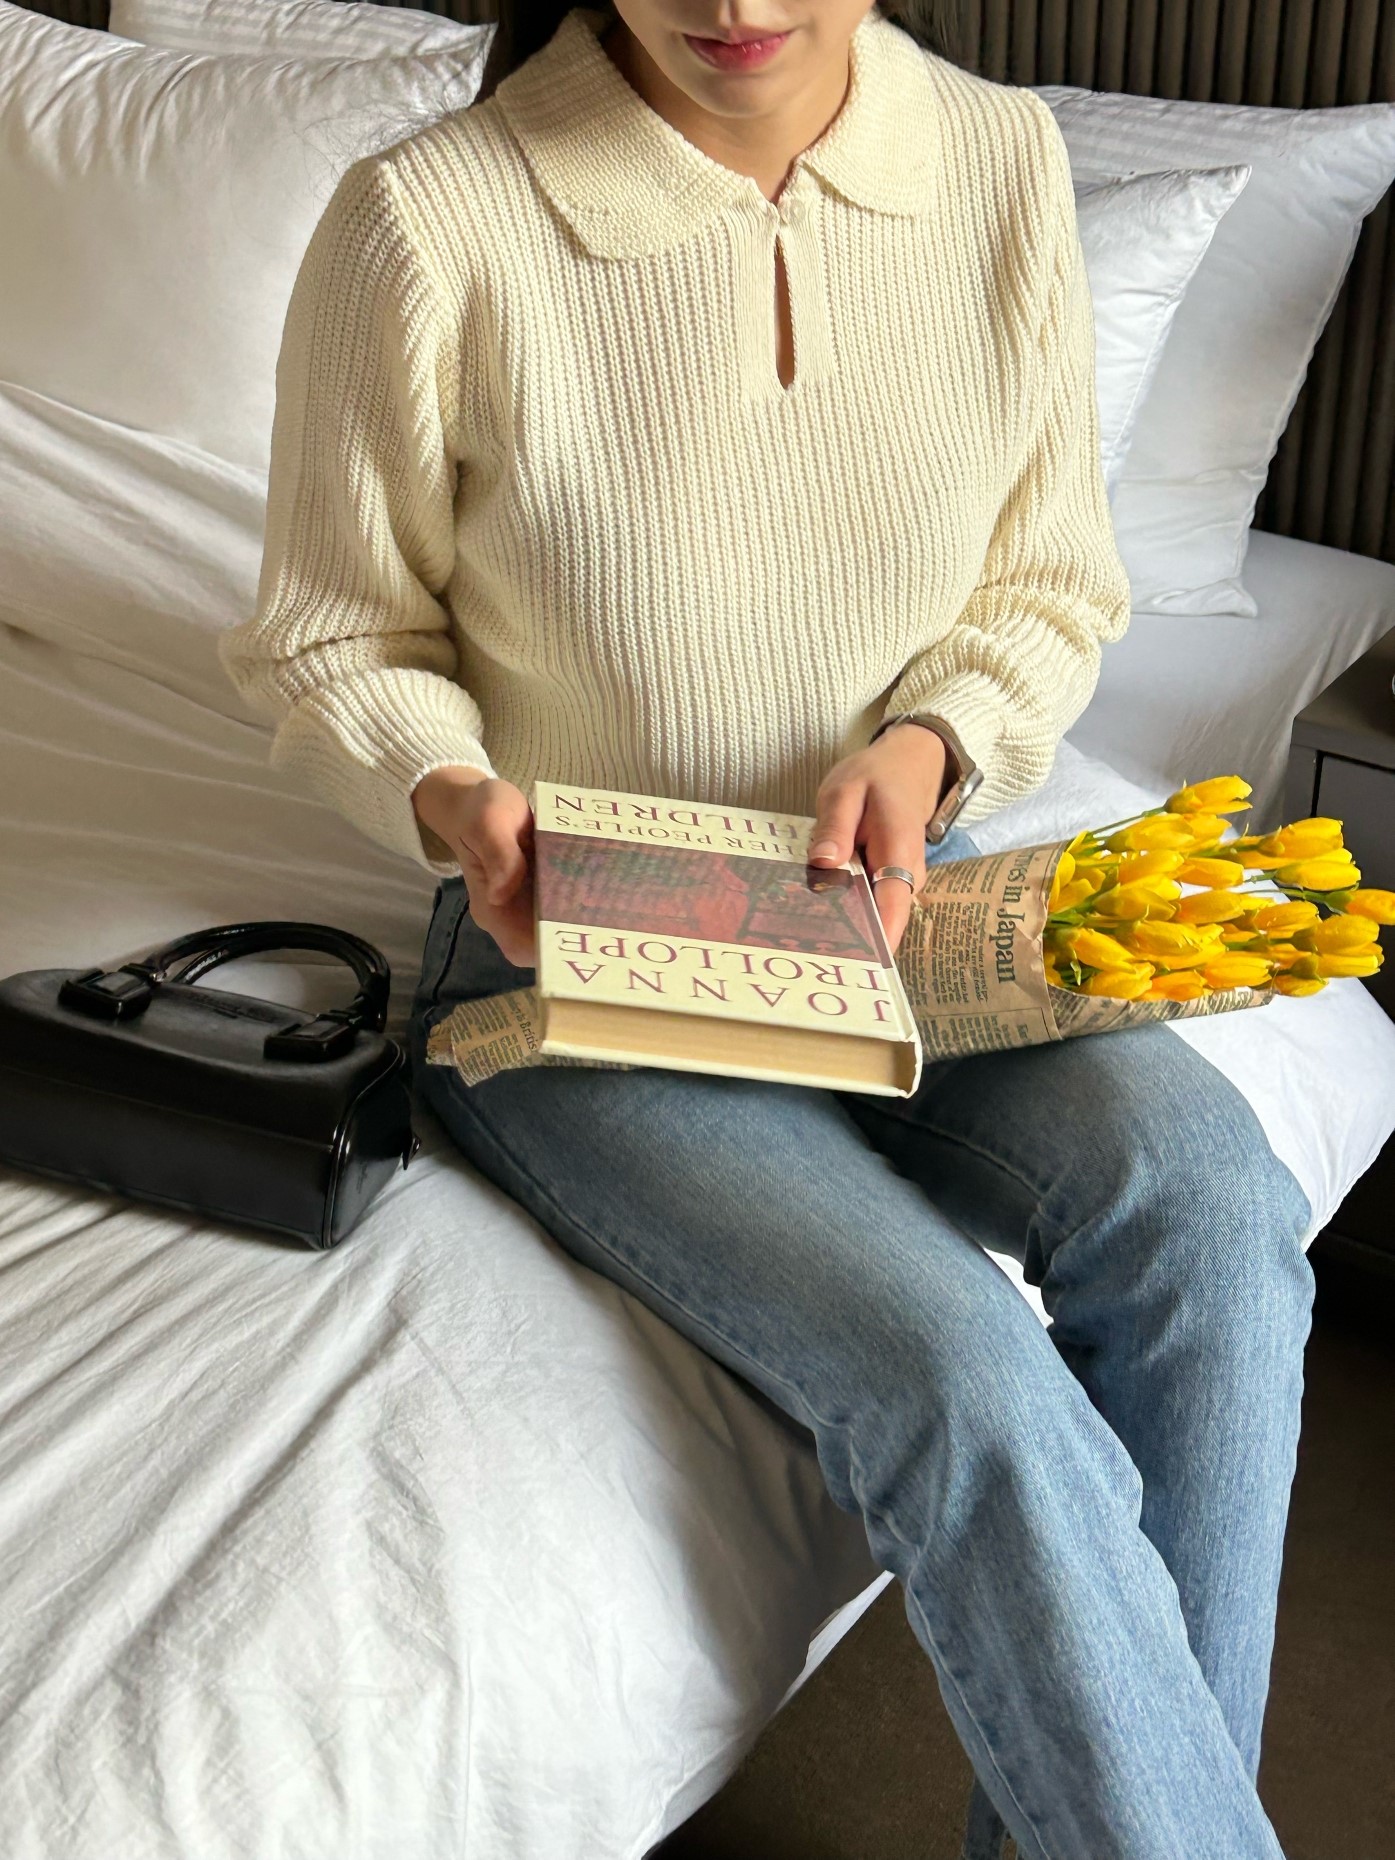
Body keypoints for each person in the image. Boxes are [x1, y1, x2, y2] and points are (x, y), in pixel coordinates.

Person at [219, 2, 1315, 1853]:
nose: (731, 5)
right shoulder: (430, 216)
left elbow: (1050, 579)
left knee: (1216, 1209)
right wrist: (449, 789)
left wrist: (935, 735)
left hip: (907, 916)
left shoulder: (996, 162)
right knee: (966, 1382)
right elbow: (334, 632)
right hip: (573, 967)